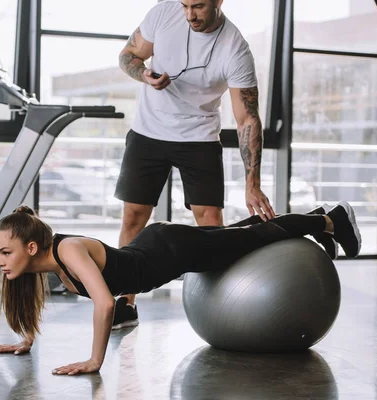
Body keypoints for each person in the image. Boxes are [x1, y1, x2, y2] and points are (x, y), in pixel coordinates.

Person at [0, 202, 361, 376]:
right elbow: (32, 303)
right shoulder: (45, 264)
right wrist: (25, 340)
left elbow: (104, 304)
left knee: (253, 236)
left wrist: (95, 361)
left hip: (172, 251)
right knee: (238, 235)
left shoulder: (67, 249)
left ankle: (331, 220)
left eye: (5, 252)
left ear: (30, 248)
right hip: (156, 245)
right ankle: (315, 216)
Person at [114, 0, 276, 328]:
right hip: (148, 130)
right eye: (185, 5)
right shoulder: (163, 13)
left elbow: (247, 118)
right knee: (134, 217)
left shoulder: (234, 48)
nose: (190, 14)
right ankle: (125, 302)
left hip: (199, 137)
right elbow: (127, 56)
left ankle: (217, 304)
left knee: (210, 222)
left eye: (199, 6)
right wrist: (144, 74)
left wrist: (252, 183)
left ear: (218, 2)